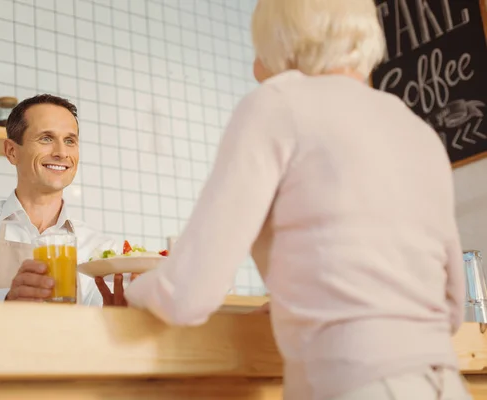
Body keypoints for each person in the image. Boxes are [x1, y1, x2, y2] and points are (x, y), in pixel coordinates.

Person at [124, 0, 470, 399]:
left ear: (281, 37)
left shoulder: (277, 103)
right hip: (444, 383)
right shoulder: (416, 128)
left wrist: (136, 292)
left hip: (354, 383)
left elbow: (186, 295)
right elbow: (450, 302)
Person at [0, 94, 124, 305]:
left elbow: (99, 318)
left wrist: (114, 316)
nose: (61, 153)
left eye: (69, 140)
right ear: (12, 151)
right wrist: (8, 297)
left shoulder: (98, 248)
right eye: (46, 138)